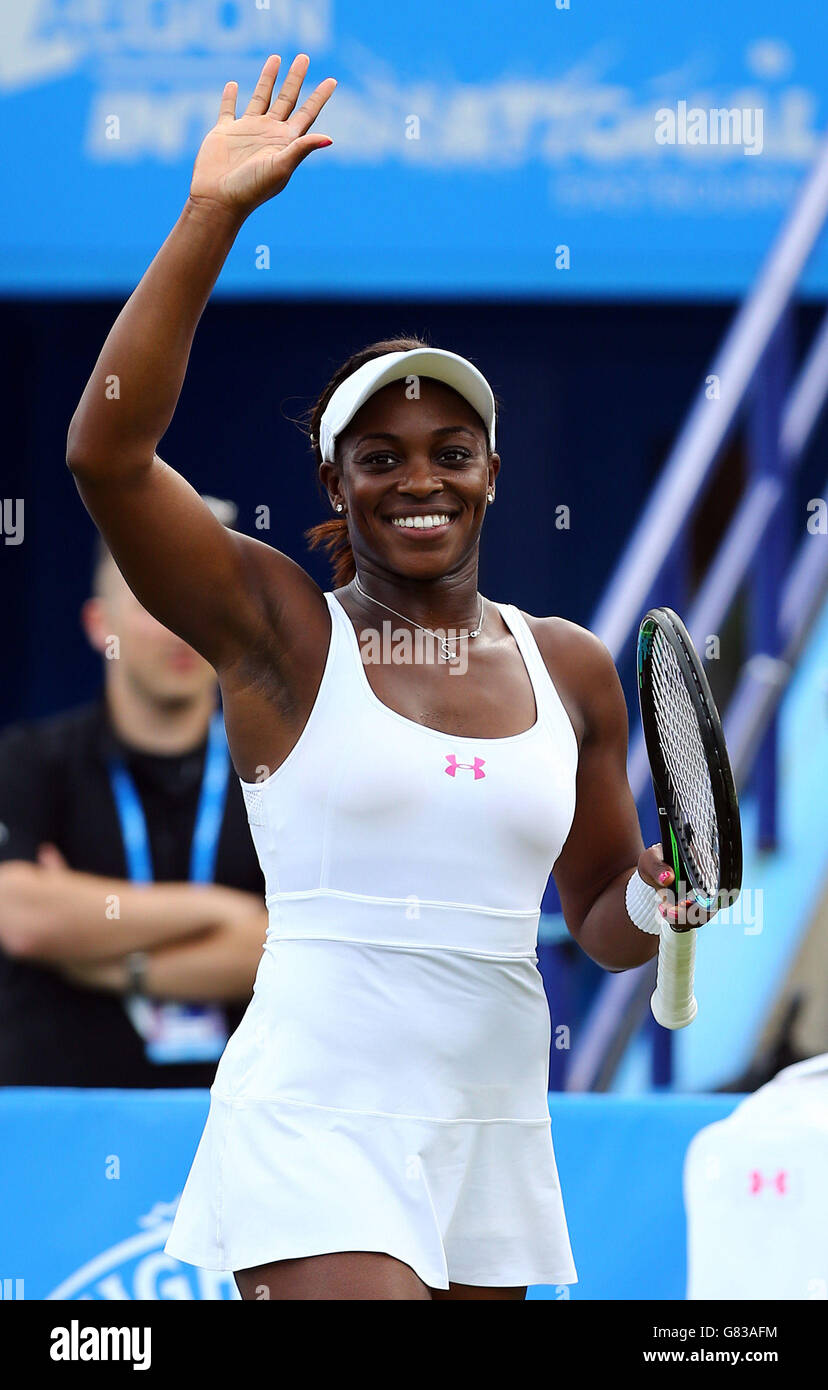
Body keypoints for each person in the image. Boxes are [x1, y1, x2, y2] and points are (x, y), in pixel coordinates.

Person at [65, 53, 719, 1301]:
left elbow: (596, 916)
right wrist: (212, 217)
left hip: (490, 1127)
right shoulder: (277, 629)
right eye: (380, 455)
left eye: (451, 451)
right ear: (334, 484)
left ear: (492, 474)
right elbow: (105, 452)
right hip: (315, 1121)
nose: (420, 477)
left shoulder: (572, 667)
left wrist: (656, 902)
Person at [0, 514, 267, 1088]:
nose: (180, 627)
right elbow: (19, 916)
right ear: (101, 626)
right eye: (154, 602)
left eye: (196, 602)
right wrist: (222, 911)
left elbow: (286, 951)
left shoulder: (275, 777)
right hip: (61, 1133)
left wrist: (102, 961)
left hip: (238, 1135)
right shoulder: (27, 762)